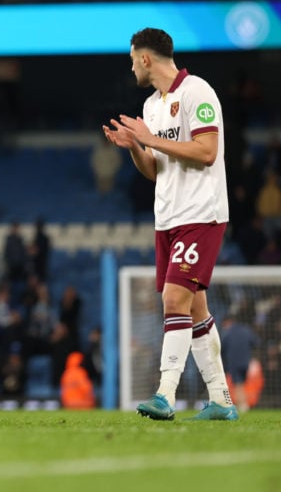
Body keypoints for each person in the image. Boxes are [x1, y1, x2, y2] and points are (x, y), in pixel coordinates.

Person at [103, 27, 238, 421]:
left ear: (145, 58)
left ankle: (165, 394)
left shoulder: (197, 92)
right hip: (169, 217)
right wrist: (135, 147)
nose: (131, 69)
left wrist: (151, 139)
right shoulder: (151, 106)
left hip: (201, 213)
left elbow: (208, 152)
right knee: (195, 308)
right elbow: (155, 170)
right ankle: (222, 401)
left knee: (173, 300)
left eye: (132, 61)